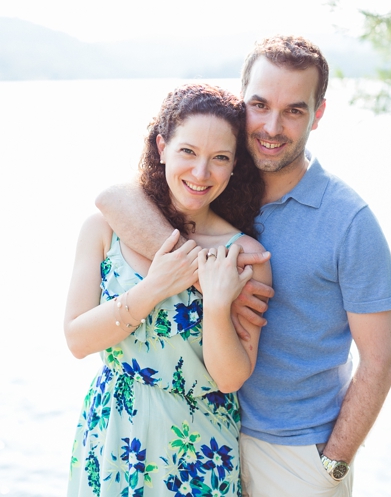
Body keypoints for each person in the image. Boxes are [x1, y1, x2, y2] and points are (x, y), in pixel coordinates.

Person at [95, 35, 391, 497]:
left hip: (294, 455)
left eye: (294, 110)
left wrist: (333, 465)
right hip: (203, 436)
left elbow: (381, 360)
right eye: (260, 104)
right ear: (242, 104)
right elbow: (115, 196)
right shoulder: (216, 180)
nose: (272, 126)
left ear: (318, 114)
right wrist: (203, 277)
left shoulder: (349, 221)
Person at [65, 84, 272, 496]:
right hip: (113, 437)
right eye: (188, 152)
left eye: (219, 159)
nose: (200, 173)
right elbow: (77, 339)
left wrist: (215, 303)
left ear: (234, 168)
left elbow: (230, 379)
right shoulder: (105, 229)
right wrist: (155, 287)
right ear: (162, 147)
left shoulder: (244, 257)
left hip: (200, 452)